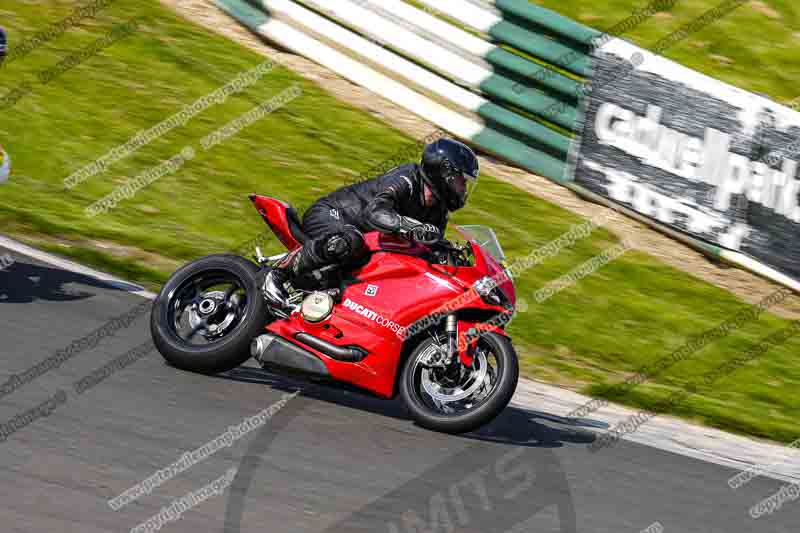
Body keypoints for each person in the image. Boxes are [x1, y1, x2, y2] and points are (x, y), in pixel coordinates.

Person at [263, 137, 479, 308]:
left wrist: (450, 255)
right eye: (461, 180)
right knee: (350, 240)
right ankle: (278, 274)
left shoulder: (438, 212)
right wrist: (413, 227)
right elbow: (375, 212)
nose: (463, 189)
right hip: (334, 215)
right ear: (444, 172)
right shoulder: (407, 178)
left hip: (366, 244)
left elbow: (429, 246)